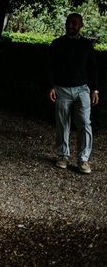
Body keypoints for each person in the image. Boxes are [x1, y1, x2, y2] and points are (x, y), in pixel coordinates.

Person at [46, 13, 99, 174]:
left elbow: (92, 68)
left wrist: (95, 89)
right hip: (61, 88)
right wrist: (50, 86)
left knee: (84, 123)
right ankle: (63, 155)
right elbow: (49, 66)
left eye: (75, 23)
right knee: (62, 124)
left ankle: (83, 159)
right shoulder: (57, 44)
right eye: (69, 22)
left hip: (82, 89)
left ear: (81, 25)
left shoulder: (86, 45)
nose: (71, 26)